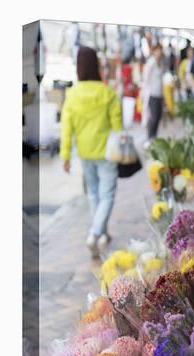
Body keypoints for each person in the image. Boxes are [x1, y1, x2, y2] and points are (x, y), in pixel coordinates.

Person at [60, 46, 122, 258]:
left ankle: (102, 233)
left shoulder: (72, 94)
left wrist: (66, 156)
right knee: (107, 195)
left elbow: (66, 128)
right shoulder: (107, 92)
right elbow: (118, 127)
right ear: (96, 65)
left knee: (94, 194)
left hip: (84, 152)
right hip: (107, 153)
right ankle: (95, 233)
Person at [142, 43, 165, 140]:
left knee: (158, 117)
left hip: (160, 94)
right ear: (154, 51)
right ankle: (149, 137)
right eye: (157, 50)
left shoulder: (161, 63)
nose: (159, 52)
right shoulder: (151, 63)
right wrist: (144, 93)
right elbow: (146, 79)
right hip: (152, 94)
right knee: (153, 117)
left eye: (160, 50)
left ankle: (154, 137)